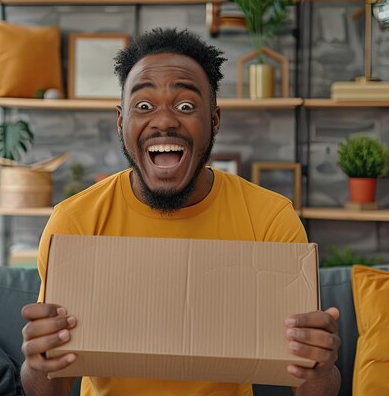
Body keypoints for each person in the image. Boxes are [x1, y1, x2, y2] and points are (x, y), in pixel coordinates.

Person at [21, 28, 341, 396]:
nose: (165, 121)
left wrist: (320, 367)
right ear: (121, 121)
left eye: (186, 106)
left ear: (215, 120)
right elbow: (50, 385)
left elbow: (309, 379)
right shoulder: (74, 223)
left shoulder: (269, 219)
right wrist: (37, 362)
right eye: (143, 106)